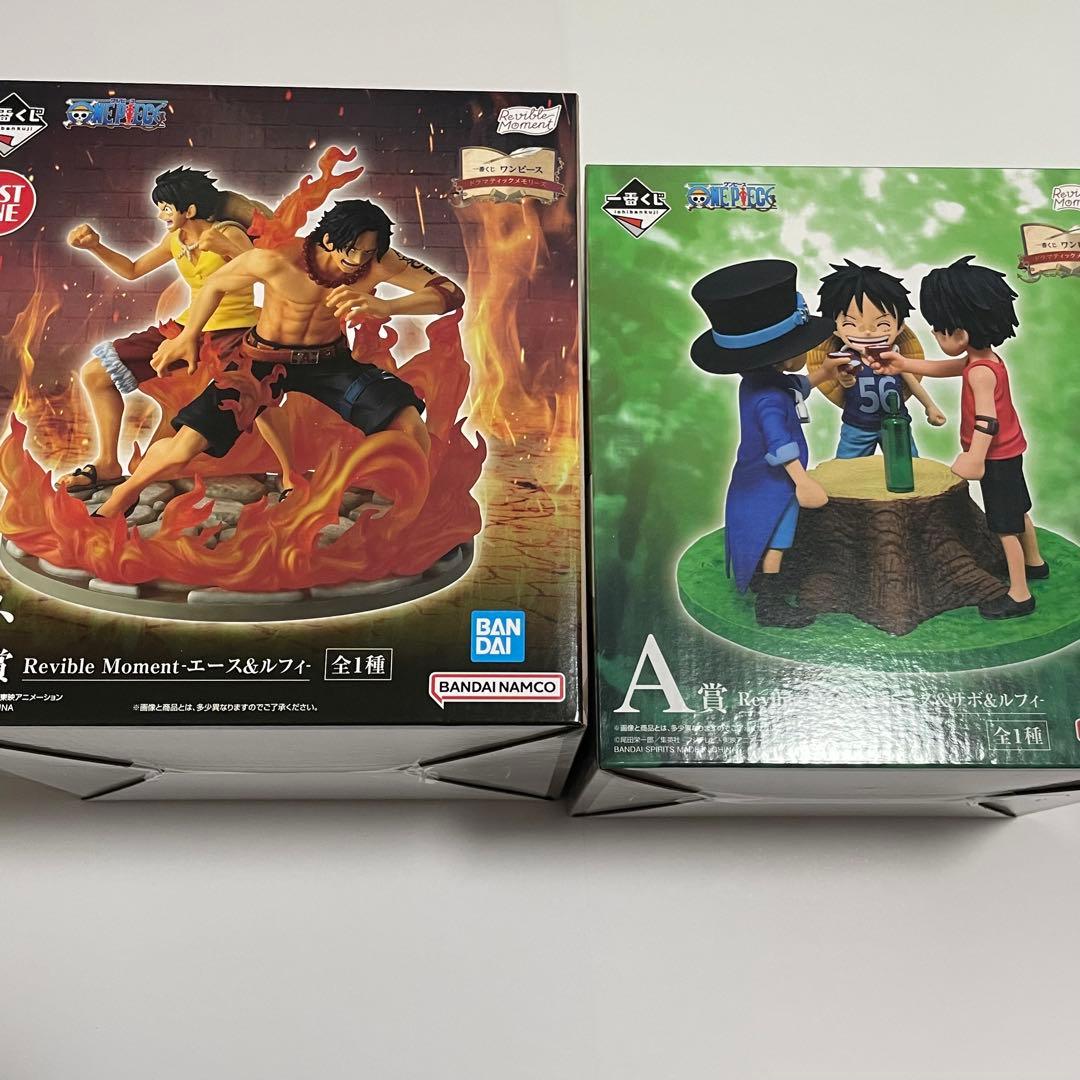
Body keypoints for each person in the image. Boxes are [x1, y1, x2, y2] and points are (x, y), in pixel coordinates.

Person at [93, 199, 464, 518]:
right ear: (329, 240)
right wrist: (189, 335)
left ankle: (415, 509)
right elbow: (216, 284)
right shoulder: (276, 260)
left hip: (330, 362)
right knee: (186, 445)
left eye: (368, 253)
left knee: (407, 422)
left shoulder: (378, 262)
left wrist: (388, 306)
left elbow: (449, 292)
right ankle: (126, 493)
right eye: (353, 251)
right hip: (263, 359)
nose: (358, 262)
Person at [63, 167, 270, 495]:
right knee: (95, 374)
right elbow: (133, 270)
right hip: (185, 327)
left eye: (166, 208)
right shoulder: (175, 240)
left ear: (190, 209)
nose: (161, 215)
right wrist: (95, 247)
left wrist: (229, 248)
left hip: (232, 332)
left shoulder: (228, 233)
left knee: (189, 429)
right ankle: (107, 463)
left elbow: (269, 270)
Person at [872, 256, 1046, 619]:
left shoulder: (980, 372)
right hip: (1011, 452)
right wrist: (903, 364)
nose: (937, 336)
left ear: (961, 334)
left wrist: (975, 457)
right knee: (1018, 510)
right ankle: (1035, 562)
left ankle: (1019, 594)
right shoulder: (985, 360)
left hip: (995, 457)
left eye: (939, 330)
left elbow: (987, 420)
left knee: (1004, 527)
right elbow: (946, 368)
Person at [689, 259, 850, 627]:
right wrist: (803, 482)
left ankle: (766, 580)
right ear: (782, 355)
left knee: (775, 536)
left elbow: (797, 387)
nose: (805, 352)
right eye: (801, 347)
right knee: (779, 538)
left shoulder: (760, 383)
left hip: (760, 479)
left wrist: (825, 371)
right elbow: (780, 445)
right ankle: (771, 605)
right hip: (773, 485)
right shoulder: (769, 399)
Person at [812, 260, 945, 458]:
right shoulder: (845, 357)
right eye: (850, 324)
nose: (867, 332)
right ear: (835, 329)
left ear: (899, 327)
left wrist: (930, 406)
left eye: (883, 324)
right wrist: (844, 379)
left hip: (897, 424)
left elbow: (912, 382)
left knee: (907, 465)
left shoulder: (894, 358)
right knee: (847, 469)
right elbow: (838, 377)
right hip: (857, 427)